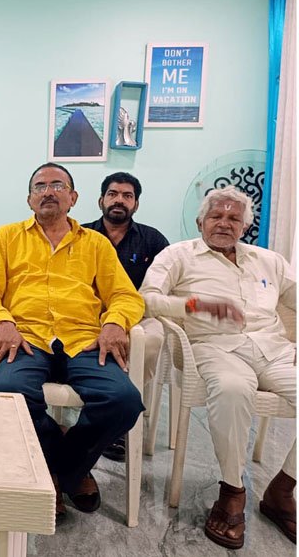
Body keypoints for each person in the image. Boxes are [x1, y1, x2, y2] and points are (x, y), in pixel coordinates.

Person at [0, 162, 144, 522]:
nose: (48, 191)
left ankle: (59, 469)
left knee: (124, 400)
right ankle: (73, 469)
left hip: (83, 339)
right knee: (8, 394)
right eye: (40, 186)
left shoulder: (95, 243)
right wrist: (2, 321)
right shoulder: (8, 237)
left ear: (73, 197)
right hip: (26, 337)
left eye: (58, 185)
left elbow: (125, 296)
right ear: (29, 199)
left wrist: (115, 322)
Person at [140, 185, 295, 549]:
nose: (224, 223)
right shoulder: (178, 255)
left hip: (274, 350)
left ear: (244, 227)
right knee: (231, 389)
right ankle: (232, 491)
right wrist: (195, 305)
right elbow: (146, 299)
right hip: (214, 348)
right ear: (201, 222)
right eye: (216, 216)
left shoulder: (269, 261)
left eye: (233, 218)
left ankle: (283, 487)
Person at [82, 171, 169, 462]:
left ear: (136, 204)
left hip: (135, 315)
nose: (119, 200)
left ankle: (119, 417)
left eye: (127, 196)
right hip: (88, 314)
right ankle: (96, 402)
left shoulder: (153, 240)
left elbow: (164, 285)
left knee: (151, 338)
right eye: (113, 194)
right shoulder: (81, 235)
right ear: (101, 200)